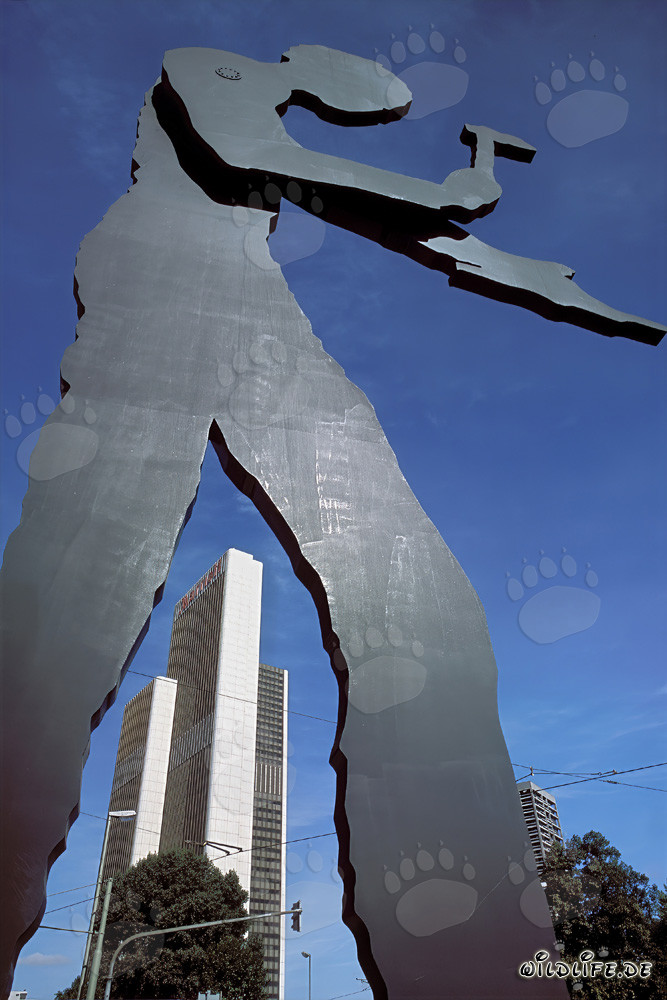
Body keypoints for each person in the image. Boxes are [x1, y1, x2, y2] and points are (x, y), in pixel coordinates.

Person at [1, 45, 662, 999]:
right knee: (72, 592)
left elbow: (430, 234)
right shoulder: (211, 74)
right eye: (370, 97)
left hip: (248, 298)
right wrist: (433, 187)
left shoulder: (296, 147)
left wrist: (576, 292)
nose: (376, 106)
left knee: (419, 597)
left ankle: (483, 961)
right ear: (313, 66)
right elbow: (248, 153)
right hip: (156, 282)